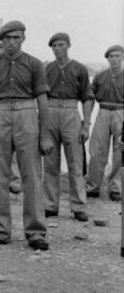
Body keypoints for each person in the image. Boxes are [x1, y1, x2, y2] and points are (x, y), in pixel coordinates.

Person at [0, 20, 53, 251]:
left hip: (26, 114)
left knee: (31, 174)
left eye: (16, 38)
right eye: (7, 39)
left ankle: (36, 232)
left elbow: (43, 102)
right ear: (1, 41)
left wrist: (45, 135)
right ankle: (0, 230)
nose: (11, 43)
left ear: (23, 39)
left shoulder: (34, 64)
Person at [43, 33, 94, 221]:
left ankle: (79, 205)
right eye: (54, 45)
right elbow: (40, 97)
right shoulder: (46, 69)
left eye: (61, 44)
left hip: (71, 112)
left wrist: (86, 125)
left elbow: (87, 98)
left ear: (68, 45)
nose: (57, 48)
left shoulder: (79, 69)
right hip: (50, 111)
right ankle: (50, 205)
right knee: (50, 161)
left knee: (75, 161)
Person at [85, 44, 124, 201]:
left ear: (122, 57)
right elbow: (90, 98)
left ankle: (116, 188)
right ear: (107, 58)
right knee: (97, 149)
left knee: (120, 151)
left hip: (121, 112)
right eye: (111, 56)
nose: (114, 59)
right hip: (103, 111)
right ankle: (93, 186)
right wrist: (87, 120)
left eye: (117, 56)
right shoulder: (100, 77)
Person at [0, 42, 21, 194]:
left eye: (1, 55)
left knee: (12, 147)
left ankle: (13, 180)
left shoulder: (17, 73)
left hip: (15, 112)